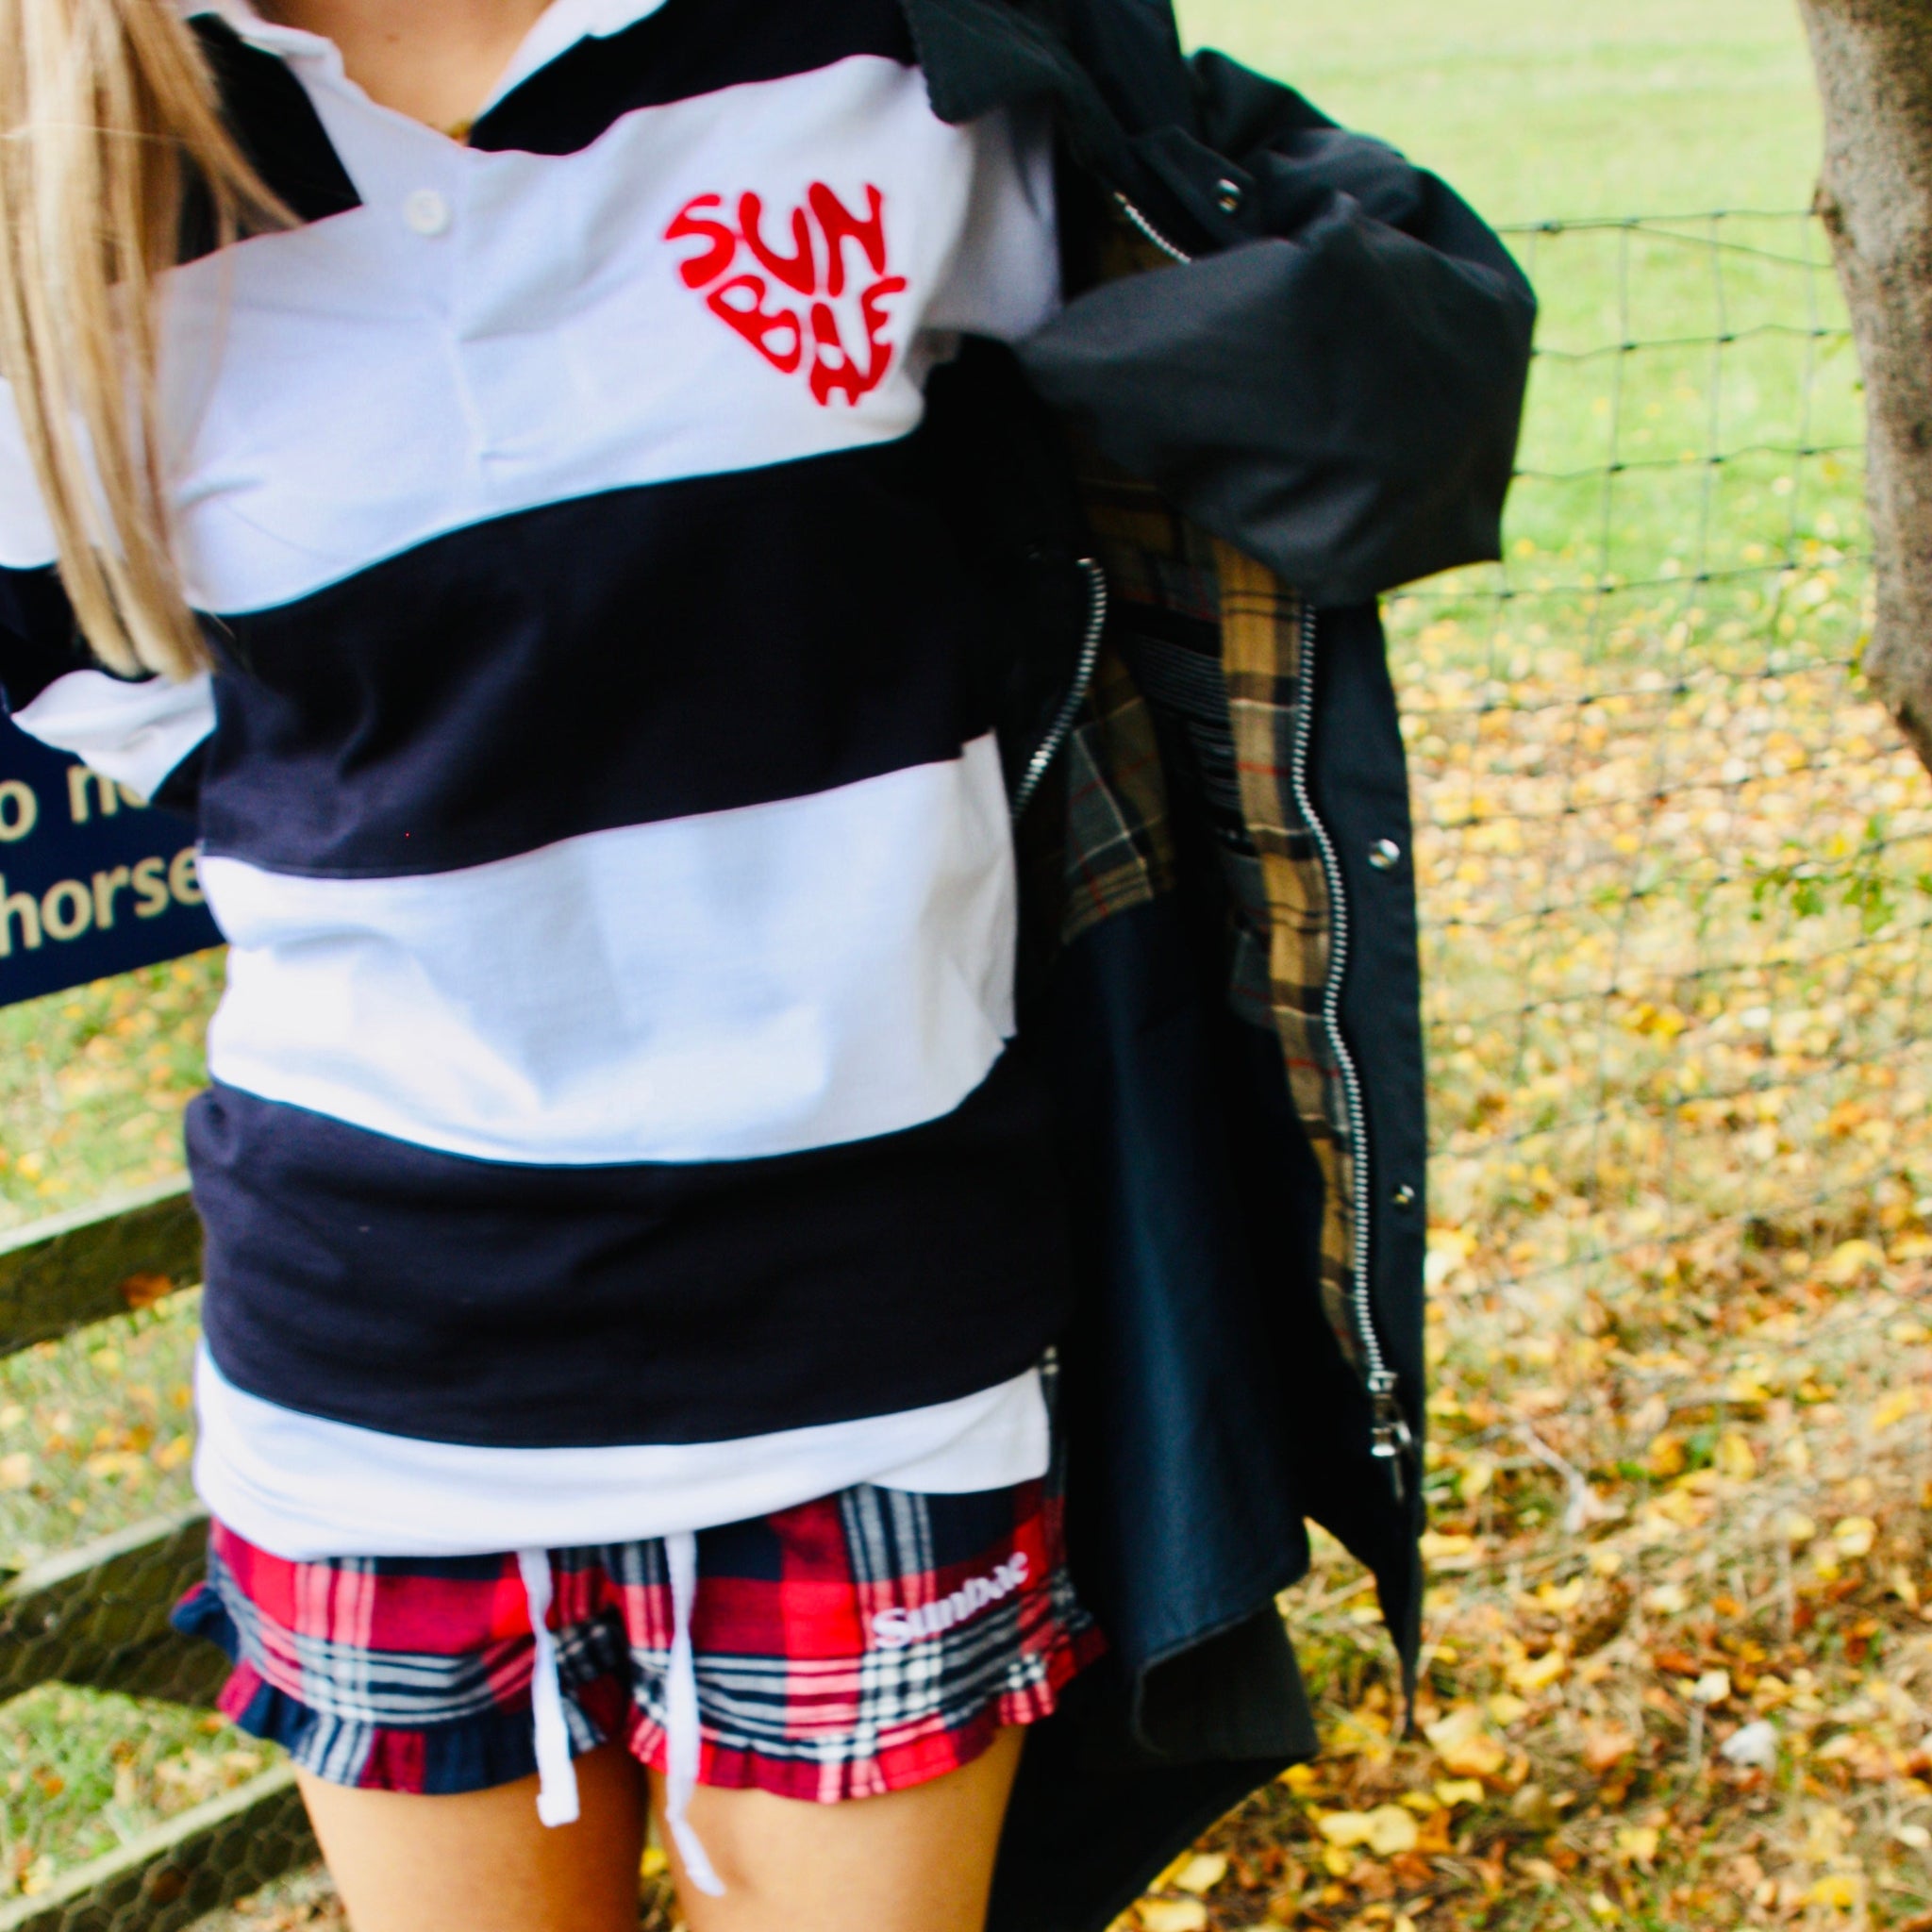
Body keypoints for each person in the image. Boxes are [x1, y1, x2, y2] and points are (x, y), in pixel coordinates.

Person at [0, 0, 1535, 1927]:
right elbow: (133, 700)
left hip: (872, 1342)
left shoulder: (879, 50)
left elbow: (1257, 376)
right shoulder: (59, 178)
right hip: (382, 1383)